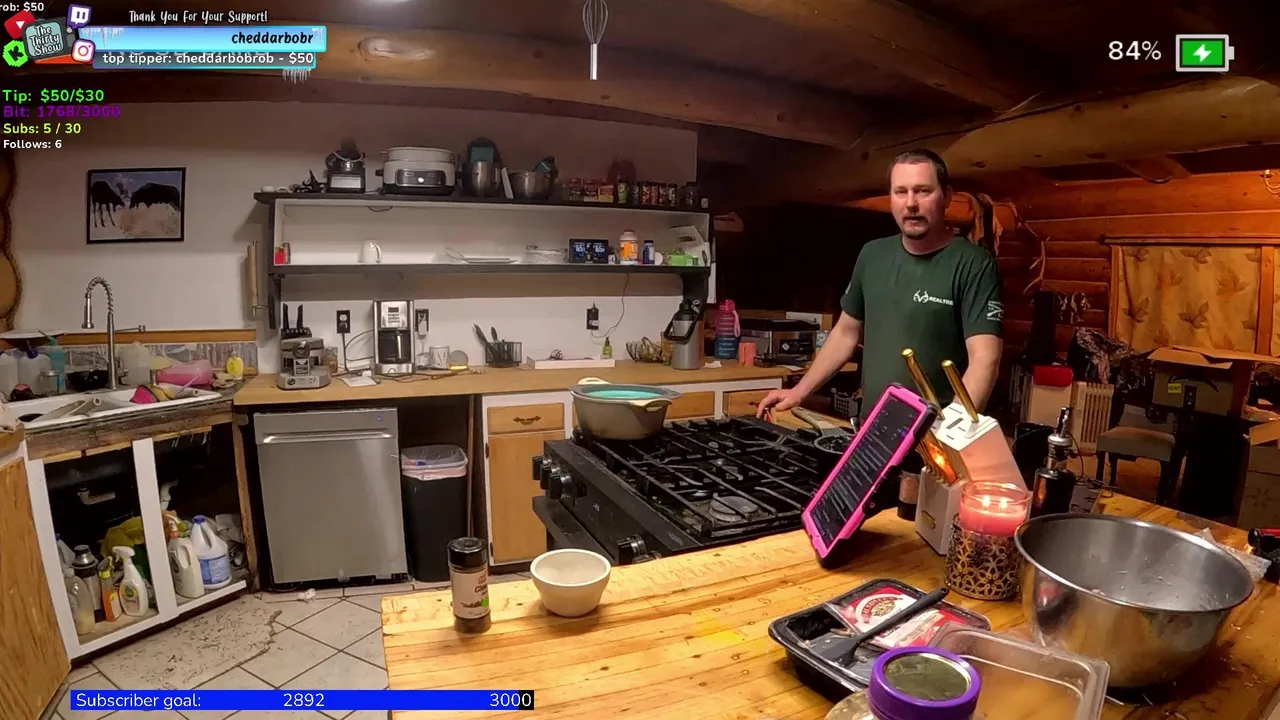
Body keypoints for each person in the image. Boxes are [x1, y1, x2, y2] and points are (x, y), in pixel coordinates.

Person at [757, 148, 1003, 425]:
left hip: (934, 434)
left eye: (923, 191)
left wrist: (953, 431)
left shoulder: (974, 264)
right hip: (871, 430)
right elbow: (845, 333)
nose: (911, 203)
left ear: (946, 196)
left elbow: (985, 359)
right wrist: (799, 391)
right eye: (901, 192)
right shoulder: (873, 255)